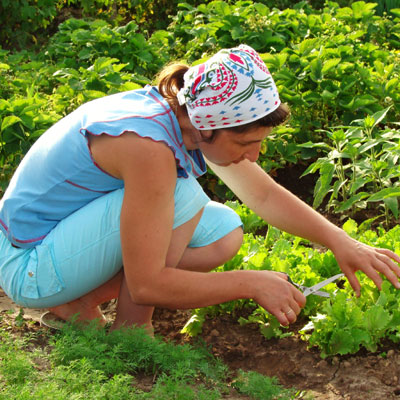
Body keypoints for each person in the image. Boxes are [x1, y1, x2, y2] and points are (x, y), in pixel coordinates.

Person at [0, 44, 399, 332]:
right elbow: (147, 283)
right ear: (209, 126)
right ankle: (131, 332)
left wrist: (341, 242)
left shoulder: (183, 117)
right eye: (245, 144)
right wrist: (250, 282)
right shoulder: (149, 147)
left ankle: (78, 301)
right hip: (30, 266)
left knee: (223, 229)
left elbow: (261, 195)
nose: (254, 156)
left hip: (58, 245)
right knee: (183, 194)